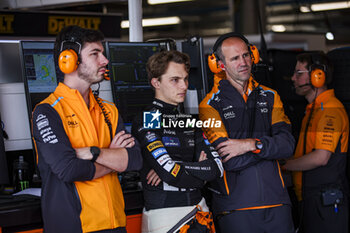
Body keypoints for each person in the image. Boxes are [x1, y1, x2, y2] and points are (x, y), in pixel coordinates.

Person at [32, 25, 142, 233]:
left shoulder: (109, 110)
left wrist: (94, 153)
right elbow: (69, 169)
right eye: (95, 54)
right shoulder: (47, 111)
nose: (105, 61)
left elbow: (134, 159)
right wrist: (114, 159)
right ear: (69, 59)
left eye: (103, 53)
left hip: (116, 224)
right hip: (75, 227)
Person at [198, 32, 295, 233]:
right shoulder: (210, 106)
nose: (243, 62)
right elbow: (229, 160)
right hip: (236, 209)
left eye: (245, 55)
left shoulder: (270, 96)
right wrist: (269, 149)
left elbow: (287, 146)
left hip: (277, 204)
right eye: (234, 58)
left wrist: (250, 145)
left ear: (253, 55)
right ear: (219, 65)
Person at [131, 50, 223, 233]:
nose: (184, 86)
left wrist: (179, 166)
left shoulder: (189, 120)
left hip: (200, 210)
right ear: (156, 82)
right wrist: (197, 169)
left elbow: (216, 168)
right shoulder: (146, 119)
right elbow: (171, 174)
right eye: (175, 80)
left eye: (185, 79)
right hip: (166, 215)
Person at [283, 52, 349, 233]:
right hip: (312, 201)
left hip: (325, 203)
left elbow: (321, 157)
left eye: (299, 73)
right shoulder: (313, 110)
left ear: (317, 76)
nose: (293, 78)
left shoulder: (330, 110)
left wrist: (283, 166)